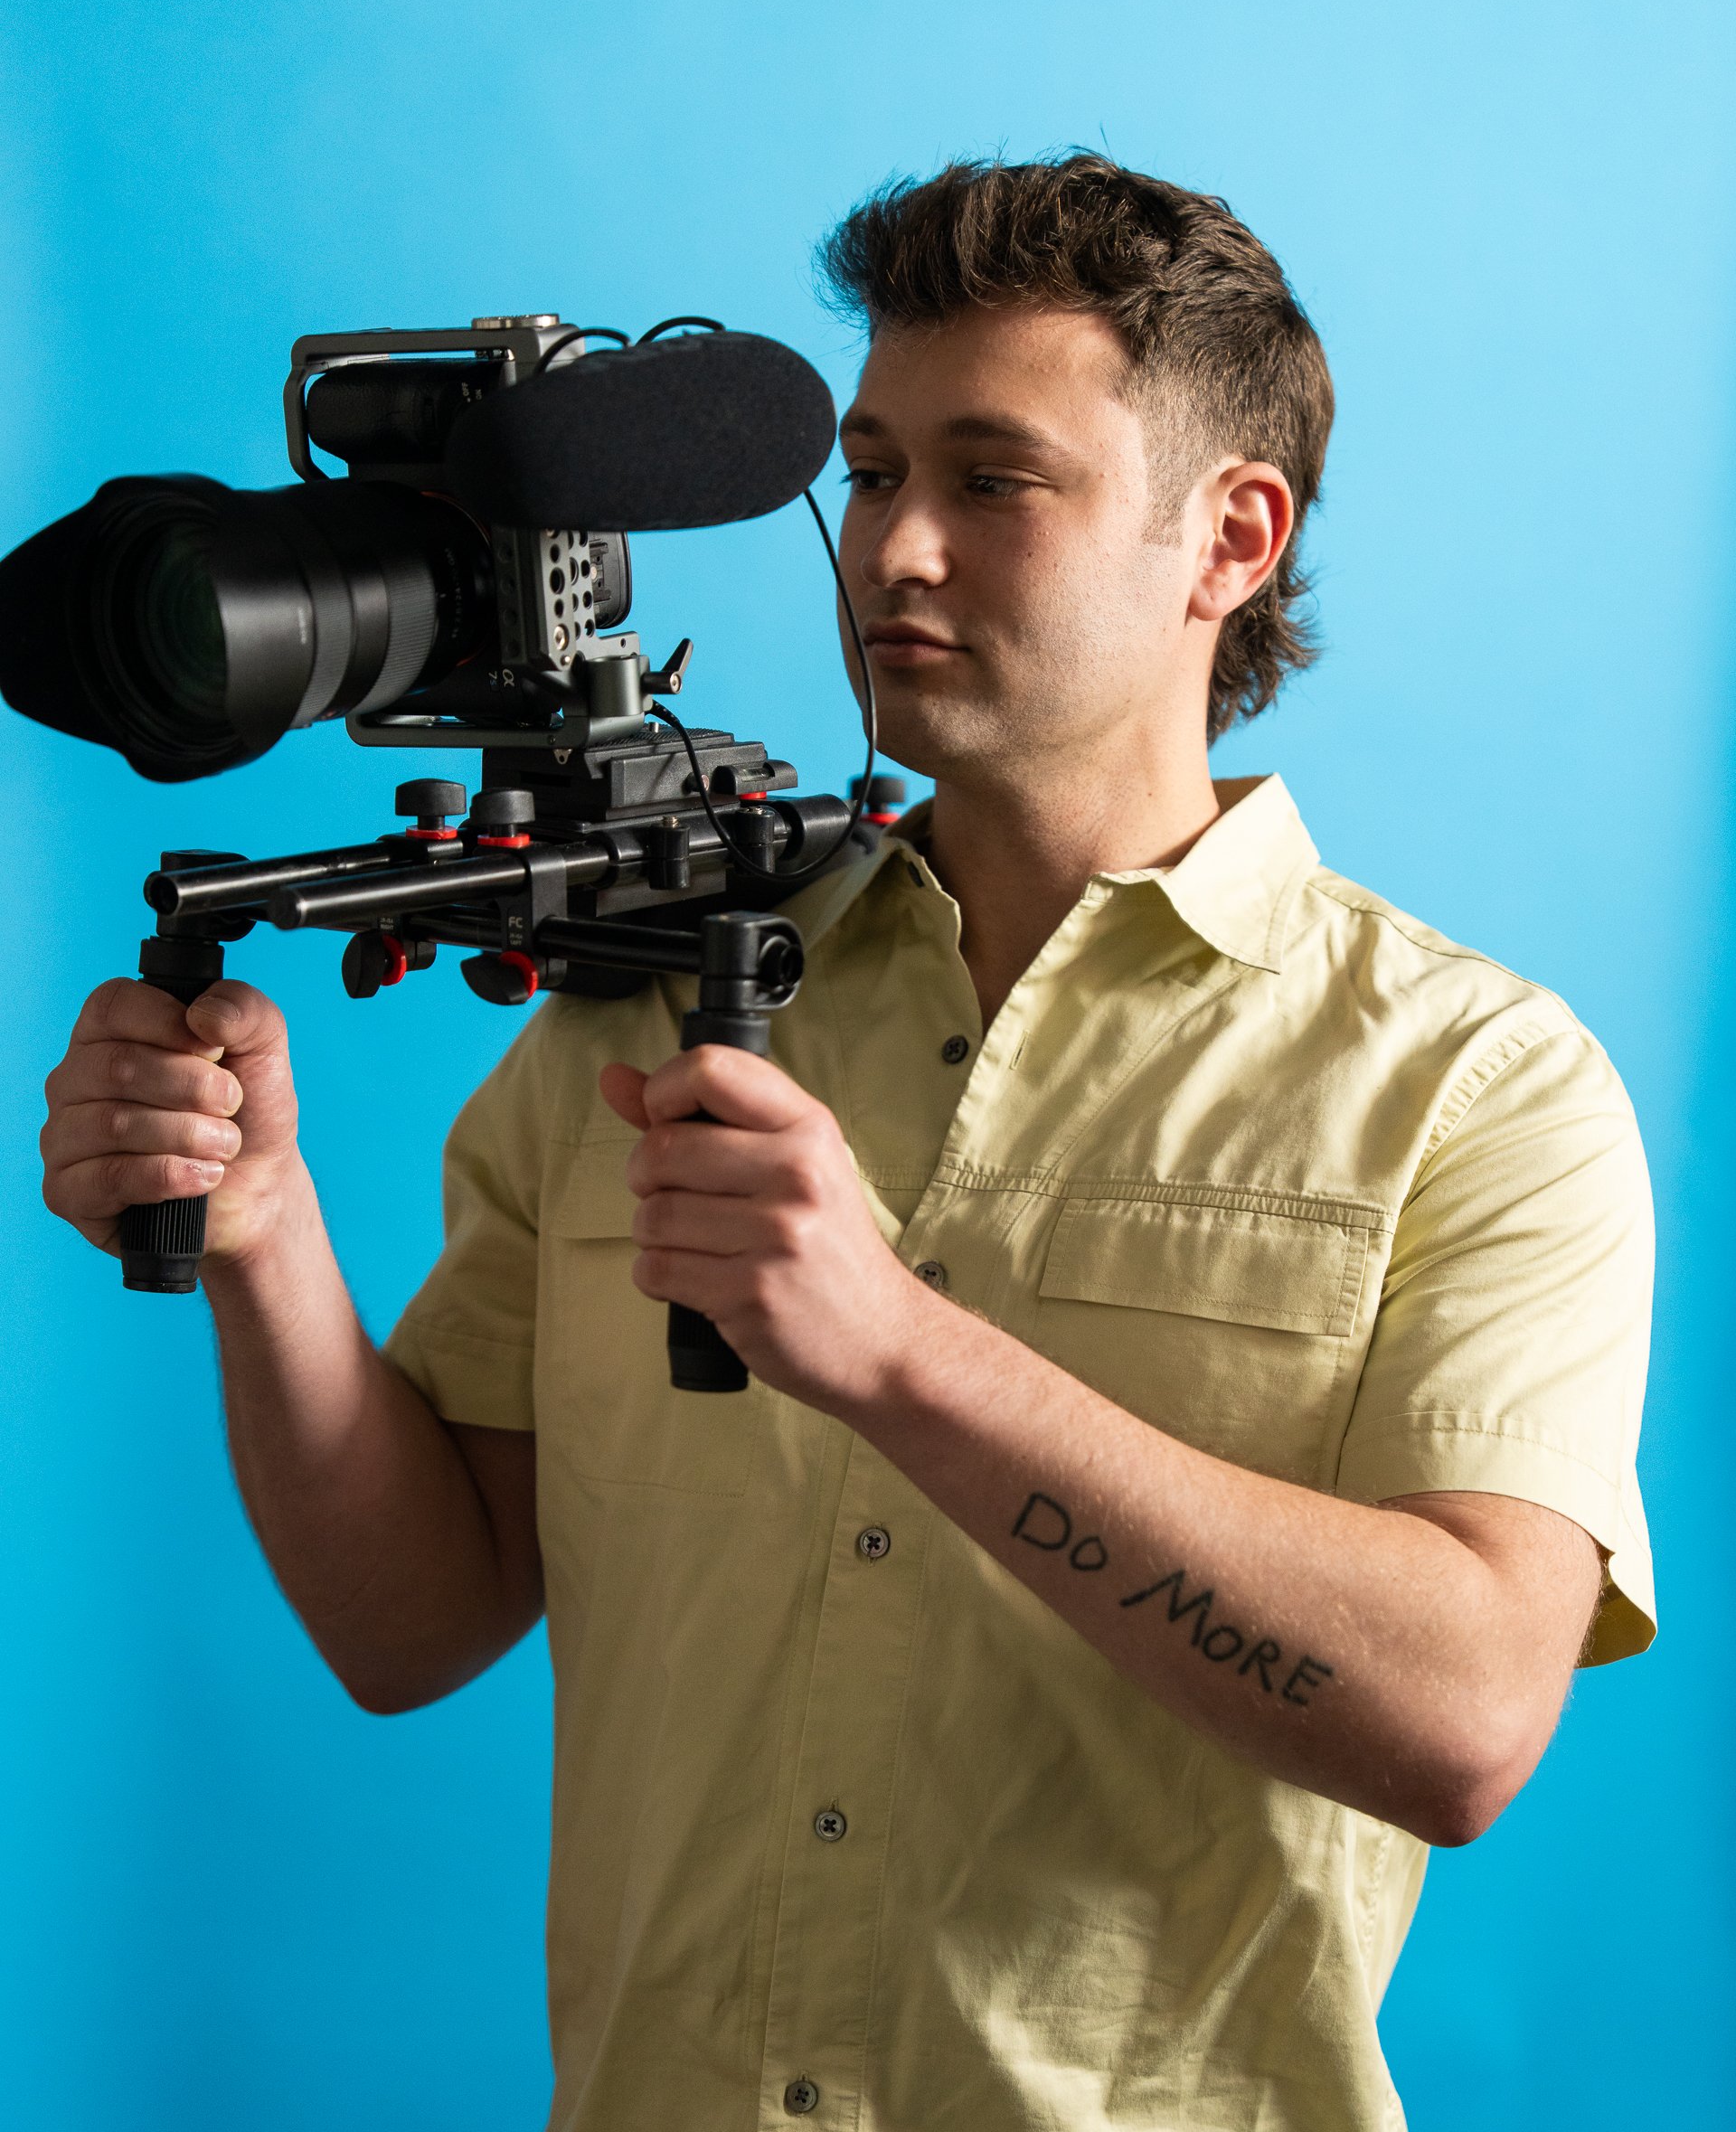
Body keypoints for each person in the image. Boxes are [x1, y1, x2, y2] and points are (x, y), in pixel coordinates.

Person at [39, 156, 1655, 2130]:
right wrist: (267, 1232)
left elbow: (1469, 1721)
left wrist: (897, 1349)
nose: (892, 550)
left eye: (994, 481)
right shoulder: (646, 1002)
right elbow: (410, 1623)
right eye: (873, 472)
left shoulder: (1480, 1084)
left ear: (1230, 537)